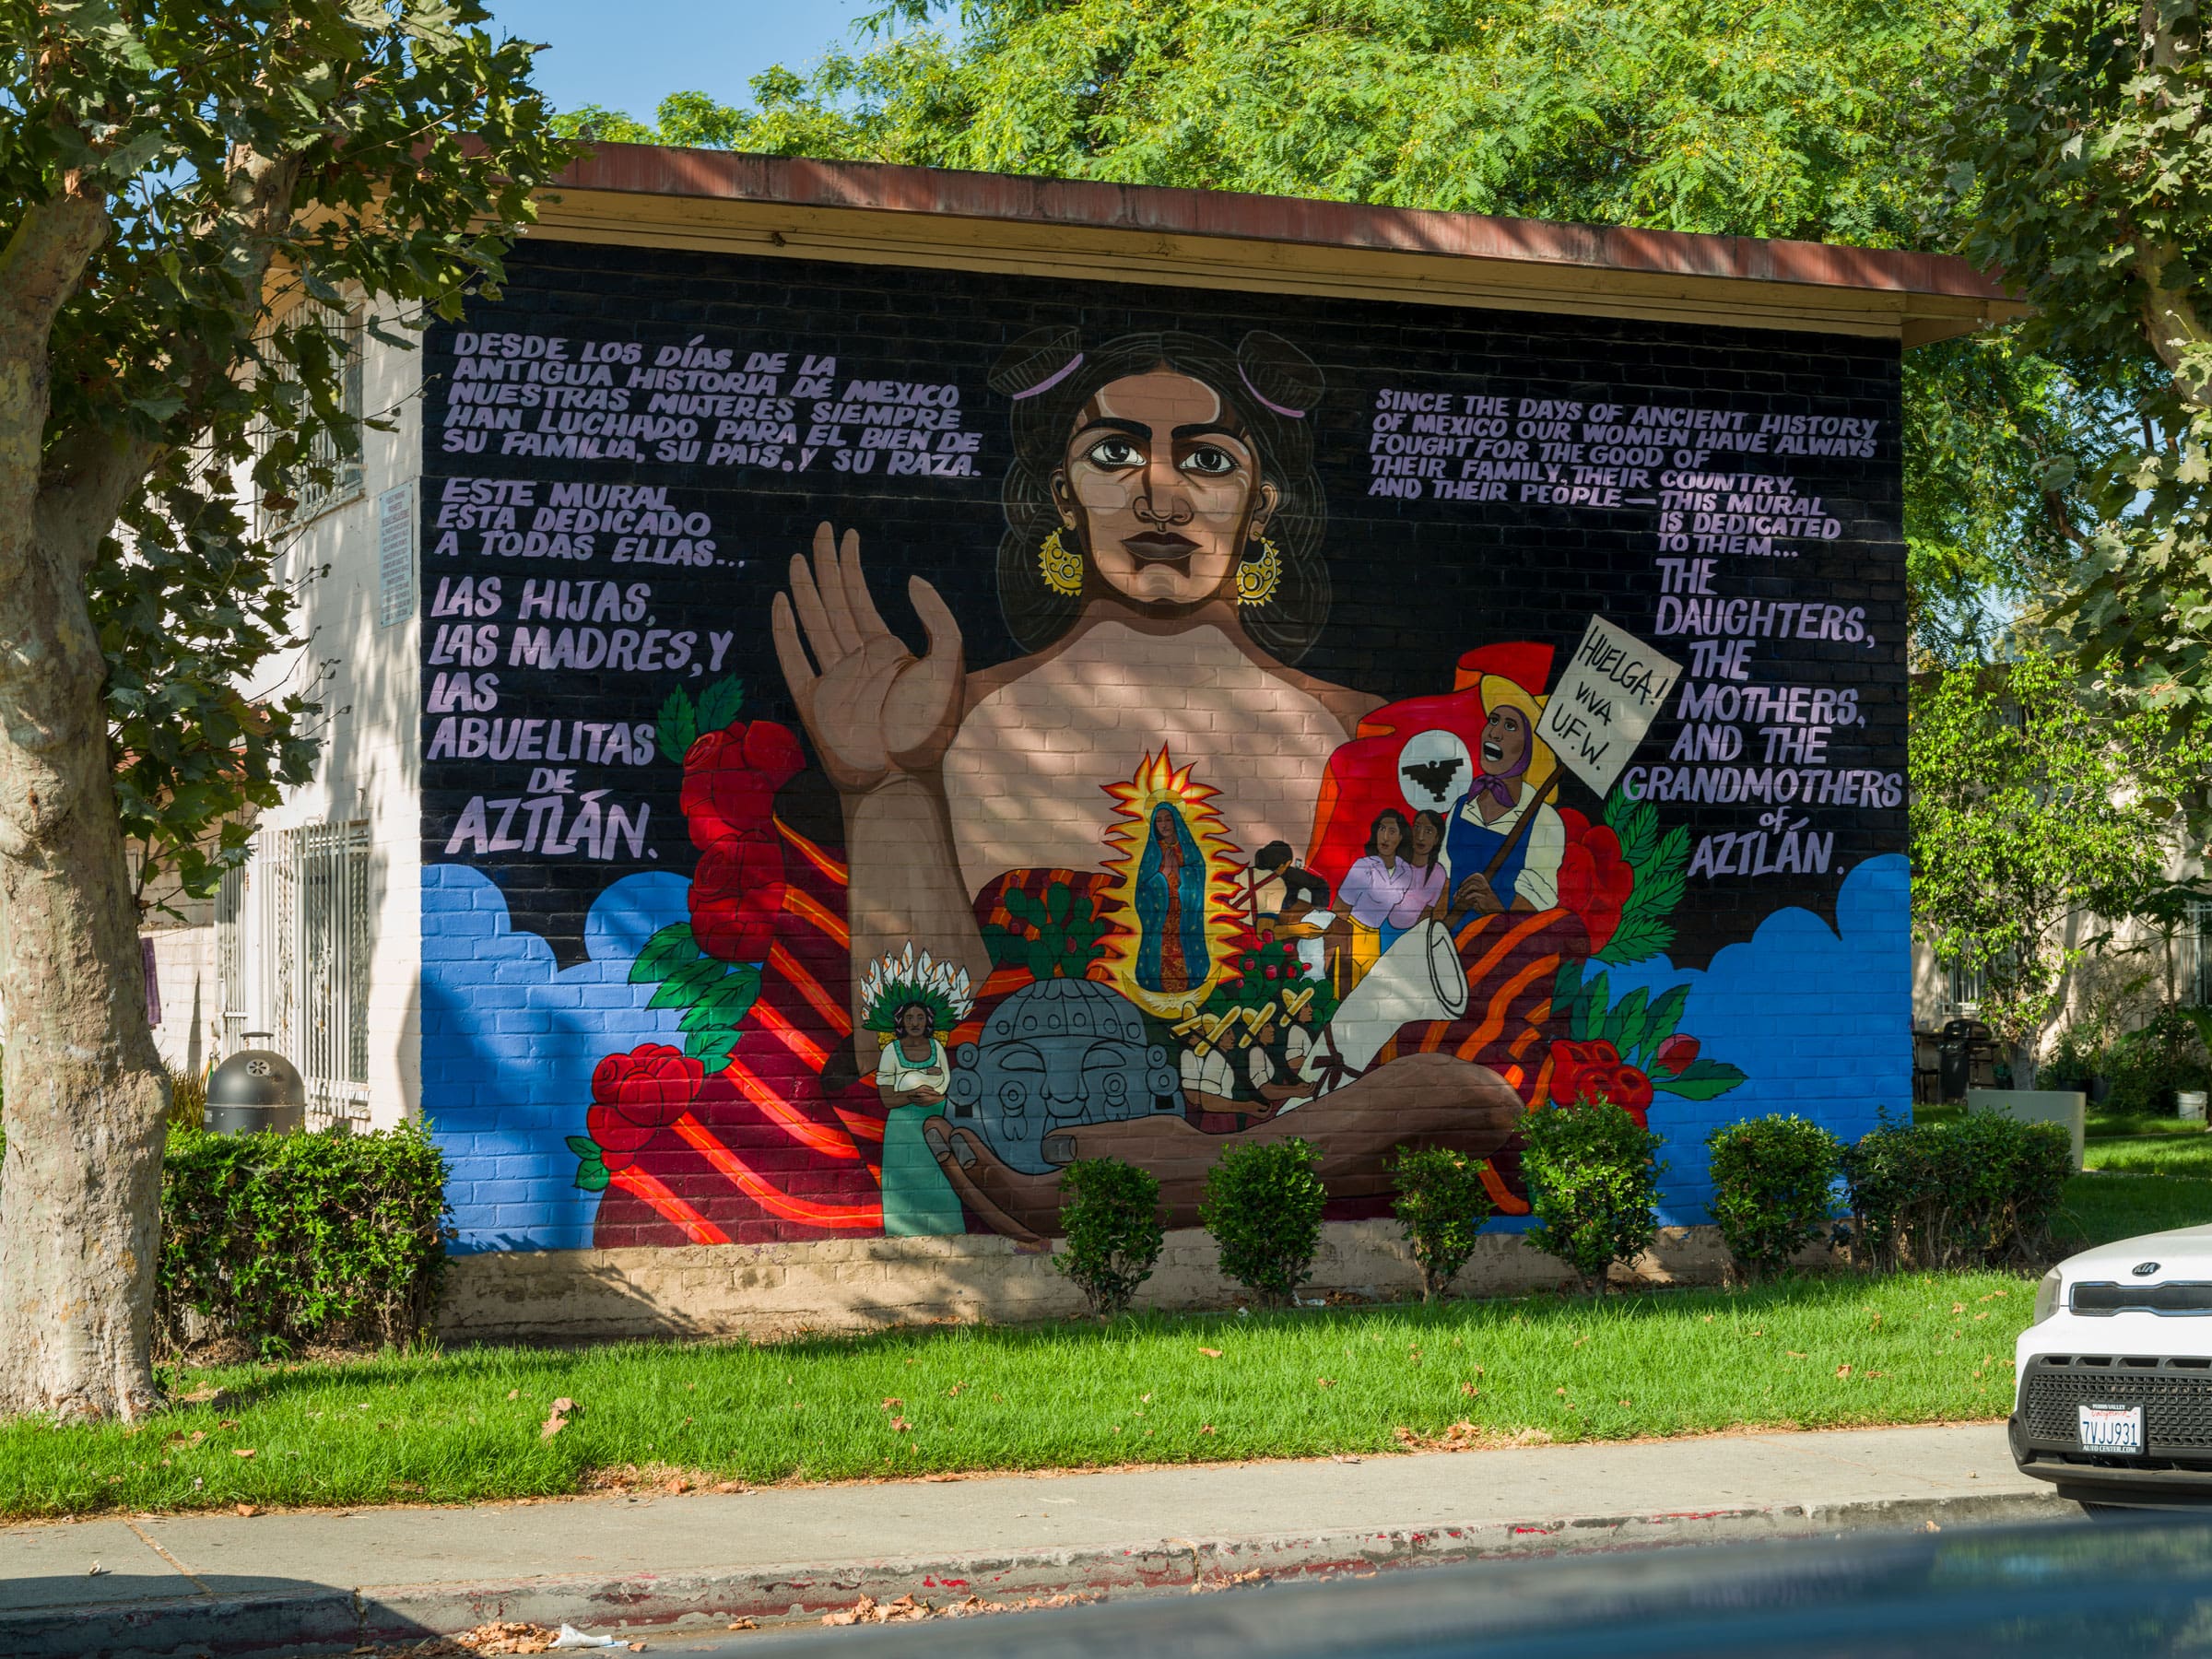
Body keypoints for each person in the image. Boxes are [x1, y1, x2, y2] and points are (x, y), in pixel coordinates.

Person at [771, 329, 1380, 1058]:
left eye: (1209, 460)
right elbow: (909, 1062)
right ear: (1064, 494)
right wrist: (882, 792)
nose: (1161, 498)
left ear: (1261, 505)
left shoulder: (1367, 737)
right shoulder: (945, 726)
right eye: (1115, 454)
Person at [1445, 677, 1565, 917]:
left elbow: (1535, 914)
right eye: (1493, 720)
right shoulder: (1461, 806)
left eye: (1510, 726)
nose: (1495, 733)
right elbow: (1443, 885)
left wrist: (1495, 909)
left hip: (1498, 949)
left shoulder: (1543, 820)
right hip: (1447, 947)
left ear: (1529, 749)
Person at [874, 1001, 963, 1235]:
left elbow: (945, 1089)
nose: (915, 1023)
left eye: (920, 1017)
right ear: (901, 1022)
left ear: (928, 1022)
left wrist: (934, 1099)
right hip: (902, 1131)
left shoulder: (937, 1048)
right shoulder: (891, 1051)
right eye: (910, 1018)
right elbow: (887, 1099)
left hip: (936, 1123)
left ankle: (950, 1236)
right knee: (903, 1186)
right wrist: (913, 1095)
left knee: (943, 1180)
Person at [1333, 808, 1425, 990]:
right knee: (1344, 990)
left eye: (1392, 831)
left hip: (1375, 938)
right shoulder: (1364, 866)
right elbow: (1339, 909)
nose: (1385, 836)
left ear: (1400, 837)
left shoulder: (1405, 871)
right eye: (1381, 829)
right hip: (1352, 932)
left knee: (1366, 991)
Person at [1252, 840, 1332, 980]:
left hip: (1279, 912)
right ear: (1287, 864)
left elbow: (1320, 885)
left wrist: (1317, 909)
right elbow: (1320, 884)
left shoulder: (1284, 875)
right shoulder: (1276, 877)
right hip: (1270, 917)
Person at [1380, 808, 1451, 953]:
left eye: (1428, 831)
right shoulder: (1397, 861)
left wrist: (1413, 940)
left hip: (1409, 934)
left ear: (1437, 839)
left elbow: (1427, 913)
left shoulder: (1438, 873)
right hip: (1383, 928)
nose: (1421, 836)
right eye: (1417, 827)